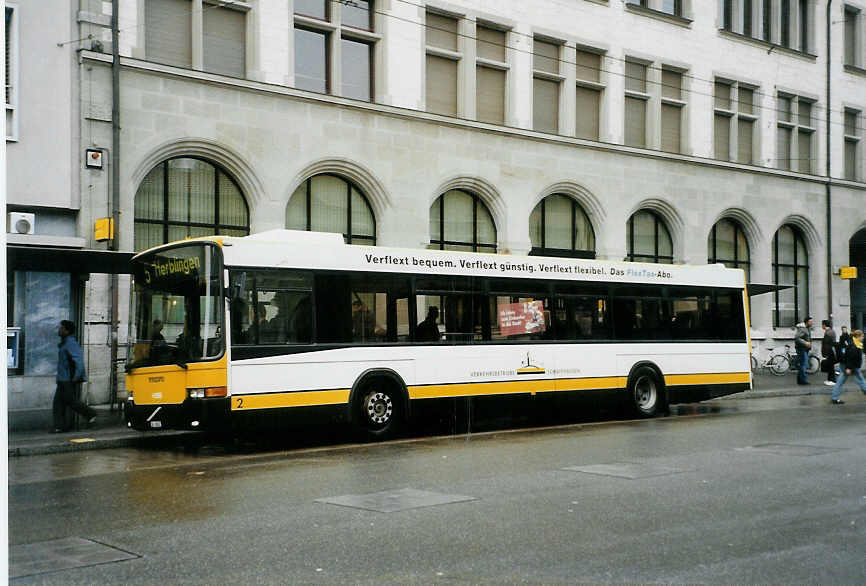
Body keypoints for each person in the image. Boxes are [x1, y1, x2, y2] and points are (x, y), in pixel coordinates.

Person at [53, 320, 97, 433]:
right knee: (58, 403)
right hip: (62, 378)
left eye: (61, 328)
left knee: (70, 401)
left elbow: (79, 361)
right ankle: (59, 427)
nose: (59, 330)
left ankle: (90, 413)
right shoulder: (65, 343)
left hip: (67, 379)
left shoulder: (71, 343)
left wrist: (76, 377)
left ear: (67, 331)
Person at [830, 329, 866, 404]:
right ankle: (834, 397)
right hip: (851, 366)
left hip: (849, 366)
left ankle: (834, 397)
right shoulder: (854, 345)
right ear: (858, 336)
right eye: (862, 336)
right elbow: (850, 357)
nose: (863, 338)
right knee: (861, 380)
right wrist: (848, 368)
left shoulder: (855, 343)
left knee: (841, 381)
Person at [793, 316, 813, 385]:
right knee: (803, 364)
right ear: (807, 322)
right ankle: (803, 380)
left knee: (802, 364)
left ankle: (800, 380)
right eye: (810, 321)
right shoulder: (803, 329)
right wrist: (806, 343)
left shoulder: (807, 328)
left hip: (804, 349)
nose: (812, 323)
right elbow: (797, 338)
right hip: (802, 348)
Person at [820, 319, 837, 386]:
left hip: (830, 351)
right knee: (830, 366)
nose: (822, 326)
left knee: (831, 366)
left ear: (824, 325)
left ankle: (832, 380)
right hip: (831, 351)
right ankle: (830, 380)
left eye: (822, 324)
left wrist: (825, 353)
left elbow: (826, 344)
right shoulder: (830, 331)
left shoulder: (828, 332)